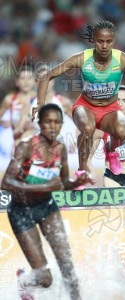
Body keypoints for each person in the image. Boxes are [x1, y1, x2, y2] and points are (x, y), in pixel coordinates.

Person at [32, 20, 125, 185]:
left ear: (114, 41)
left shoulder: (123, 59)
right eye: (100, 41)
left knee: (124, 133)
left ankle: (110, 151)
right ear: (94, 40)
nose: (104, 46)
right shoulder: (82, 58)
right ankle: (82, 171)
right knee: (88, 129)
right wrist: (40, 104)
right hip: (85, 106)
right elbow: (47, 76)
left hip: (110, 109)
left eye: (109, 41)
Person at [1, 104, 91, 300]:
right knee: (45, 278)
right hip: (21, 212)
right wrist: (42, 187)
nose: (53, 126)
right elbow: (6, 182)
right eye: (48, 122)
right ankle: (25, 280)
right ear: (40, 123)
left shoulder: (60, 149)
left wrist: (77, 182)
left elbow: (62, 183)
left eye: (57, 122)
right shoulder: (26, 146)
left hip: (47, 207)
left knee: (66, 263)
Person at [31, 64, 77, 152]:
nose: (45, 82)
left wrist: (74, 139)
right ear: (36, 82)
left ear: (53, 81)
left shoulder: (63, 102)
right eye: (41, 79)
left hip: (60, 144)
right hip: (37, 145)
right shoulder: (29, 103)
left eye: (48, 78)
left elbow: (79, 123)